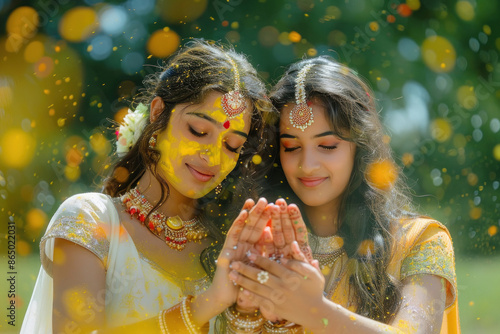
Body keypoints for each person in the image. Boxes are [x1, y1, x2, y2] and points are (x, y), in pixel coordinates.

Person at [21, 39, 279, 333]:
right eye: (198, 130)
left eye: (232, 146)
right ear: (158, 113)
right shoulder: (91, 220)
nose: (212, 156)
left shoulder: (227, 246)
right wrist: (206, 305)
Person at [227, 57, 460, 333]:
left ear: (359, 148)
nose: (307, 165)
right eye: (291, 147)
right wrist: (245, 310)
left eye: (327, 145)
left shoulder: (421, 241)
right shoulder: (261, 238)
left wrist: (315, 311)